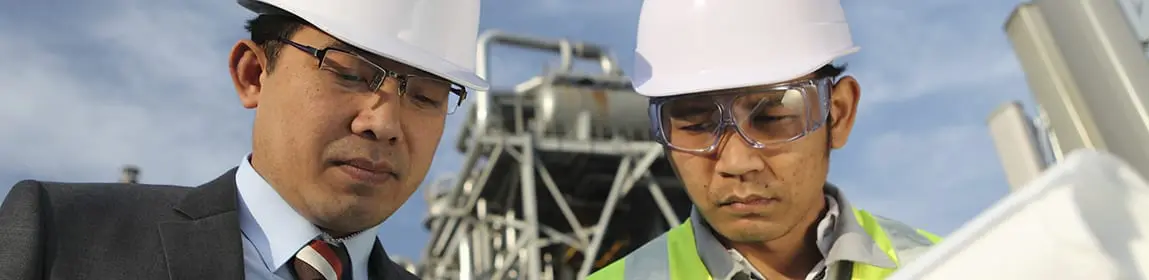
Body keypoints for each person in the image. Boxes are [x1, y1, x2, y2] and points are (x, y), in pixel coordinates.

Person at [0, 0, 486, 279]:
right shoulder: (65, 238)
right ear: (253, 73)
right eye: (349, 74)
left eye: (425, 97)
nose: (384, 123)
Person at [587, 0, 941, 279]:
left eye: (772, 118)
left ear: (839, 113)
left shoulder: (952, 268)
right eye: (696, 125)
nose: (736, 162)